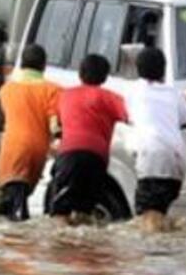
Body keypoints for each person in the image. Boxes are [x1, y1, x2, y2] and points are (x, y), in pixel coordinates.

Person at [127, 47, 186, 233]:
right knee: (160, 214)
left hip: (151, 157)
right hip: (176, 161)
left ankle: (155, 251)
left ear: (138, 69)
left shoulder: (132, 91)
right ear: (164, 69)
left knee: (149, 219)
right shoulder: (174, 94)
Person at [47, 54, 129, 221]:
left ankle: (60, 236)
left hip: (69, 155)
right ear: (105, 77)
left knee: (60, 213)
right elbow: (130, 117)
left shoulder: (64, 96)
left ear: (80, 73)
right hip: (97, 158)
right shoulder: (111, 98)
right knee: (85, 211)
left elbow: (55, 125)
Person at [0, 44, 62, 222]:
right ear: (44, 65)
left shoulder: (6, 90)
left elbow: (2, 123)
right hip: (36, 151)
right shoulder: (53, 90)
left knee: (11, 208)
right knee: (20, 205)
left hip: (10, 151)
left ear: (22, 64)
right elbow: (55, 126)